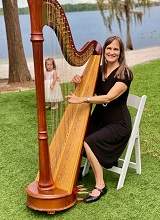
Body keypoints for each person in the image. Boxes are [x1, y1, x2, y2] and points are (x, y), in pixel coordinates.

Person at [67, 36, 133, 203]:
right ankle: (86, 167)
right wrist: (78, 82)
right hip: (101, 119)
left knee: (89, 141)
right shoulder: (99, 69)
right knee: (77, 136)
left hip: (118, 123)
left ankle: (100, 186)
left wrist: (82, 100)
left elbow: (107, 98)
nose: (111, 52)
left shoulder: (125, 73)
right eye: (109, 48)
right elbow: (89, 88)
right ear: (104, 51)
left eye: (115, 49)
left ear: (120, 52)